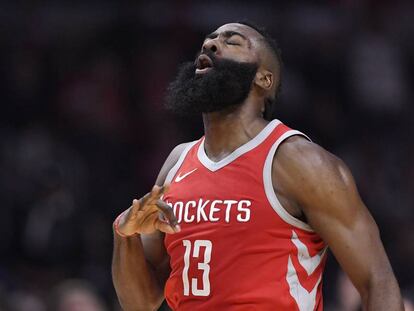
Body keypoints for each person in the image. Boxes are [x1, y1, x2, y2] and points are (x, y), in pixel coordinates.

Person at [111, 22, 403, 310]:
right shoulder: (177, 162)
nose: (210, 45)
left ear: (264, 79)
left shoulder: (300, 162)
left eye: (233, 42)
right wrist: (124, 236)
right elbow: (142, 301)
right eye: (208, 40)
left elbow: (377, 281)